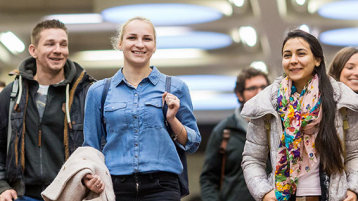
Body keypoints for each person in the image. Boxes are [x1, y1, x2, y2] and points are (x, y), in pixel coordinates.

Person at [83, 16, 201, 201]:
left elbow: (193, 143)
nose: (140, 44)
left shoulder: (175, 87)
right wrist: (88, 178)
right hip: (115, 187)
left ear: (154, 46)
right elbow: (90, 148)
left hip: (162, 187)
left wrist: (172, 119)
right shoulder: (99, 92)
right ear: (120, 43)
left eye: (147, 39)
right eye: (132, 38)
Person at [241, 29, 358, 201]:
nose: (293, 60)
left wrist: (352, 188)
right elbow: (252, 159)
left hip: (332, 195)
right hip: (284, 195)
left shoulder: (341, 100)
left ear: (317, 60)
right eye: (287, 55)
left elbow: (354, 154)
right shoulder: (268, 103)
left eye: (301, 54)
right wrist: (264, 192)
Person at [0, 19, 94, 201]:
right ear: (33, 50)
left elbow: (98, 145)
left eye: (63, 44)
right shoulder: (11, 95)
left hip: (72, 195)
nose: (58, 50)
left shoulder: (85, 93)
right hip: (24, 196)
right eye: (50, 44)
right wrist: (2, 186)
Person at [200, 67, 269, 201]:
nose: (259, 92)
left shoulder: (279, 126)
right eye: (252, 88)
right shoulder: (224, 131)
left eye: (264, 87)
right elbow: (209, 178)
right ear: (239, 94)